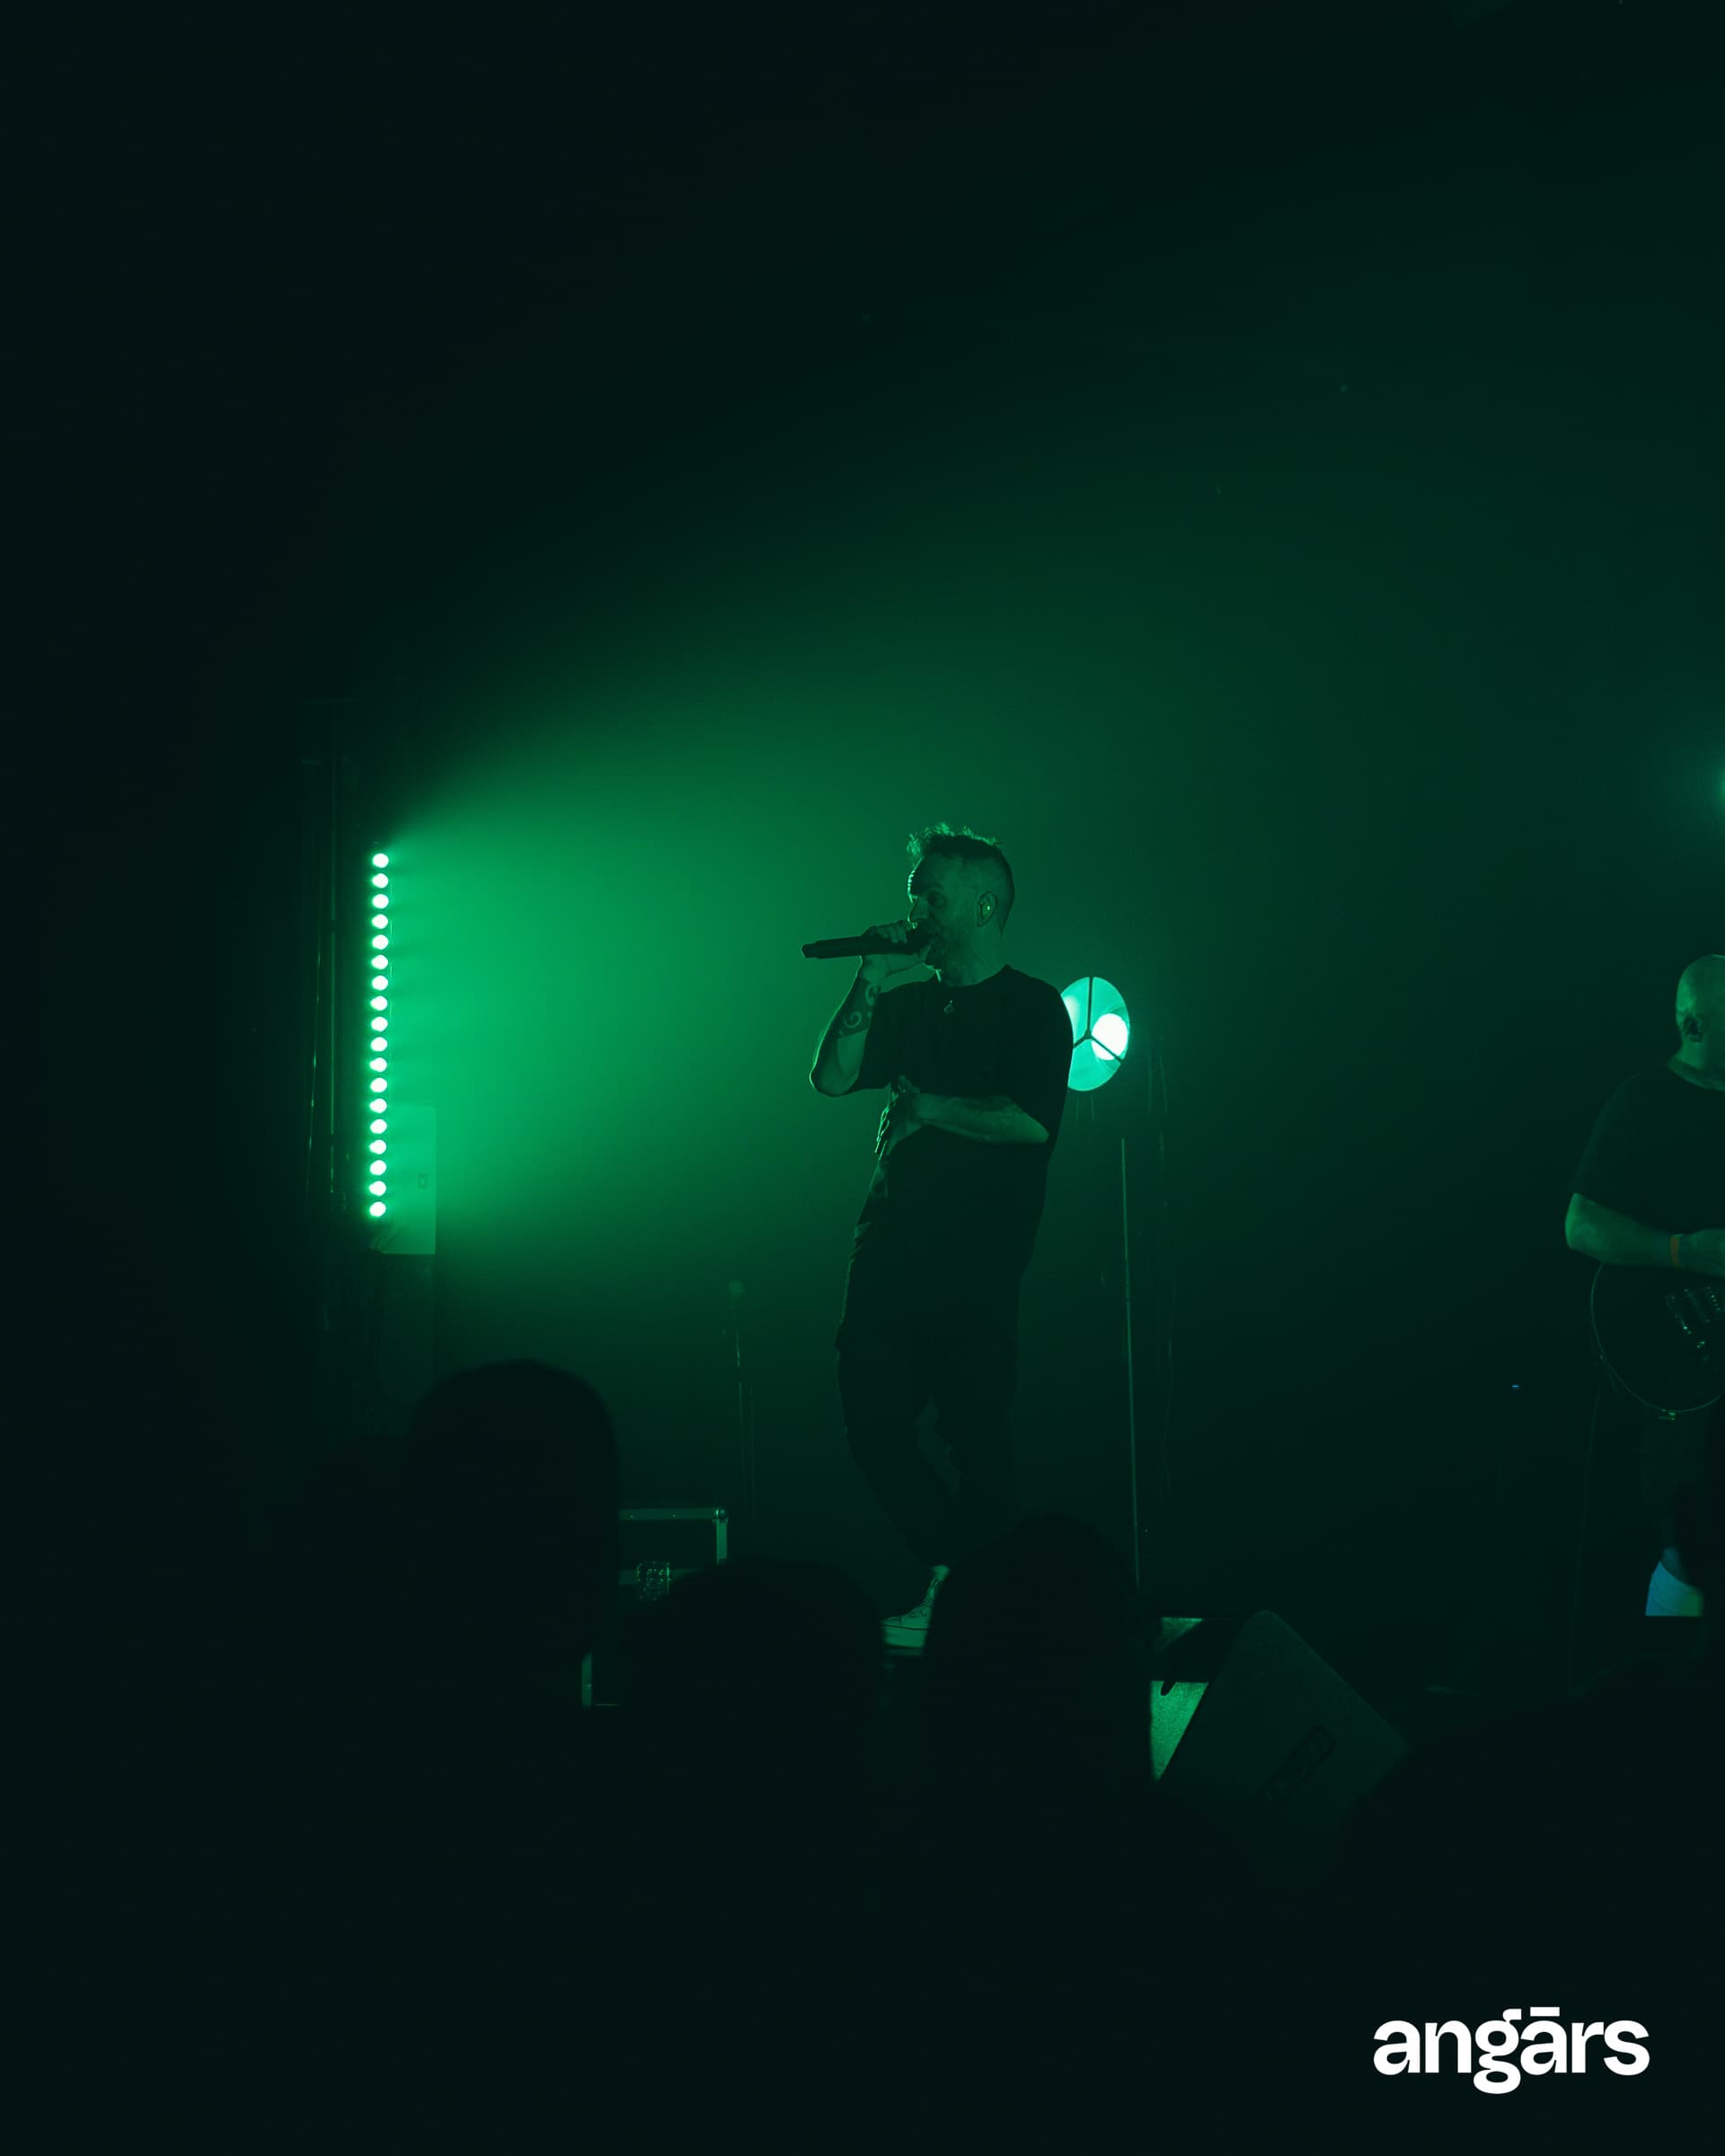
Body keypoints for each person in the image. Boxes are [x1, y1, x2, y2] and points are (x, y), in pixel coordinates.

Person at [809, 822, 1074, 1650]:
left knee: (974, 1435)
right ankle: (968, 1581)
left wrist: (928, 1107)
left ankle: (978, 1603)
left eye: (932, 894)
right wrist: (868, 976)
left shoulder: (1034, 1007)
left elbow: (1030, 1121)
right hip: (889, 1247)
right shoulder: (910, 1004)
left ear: (985, 905)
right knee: (872, 1427)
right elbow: (831, 1077)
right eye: (912, 893)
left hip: (977, 1259)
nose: (915, 907)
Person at [1565, 954, 1725, 1620]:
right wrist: (1683, 1251)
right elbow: (1581, 1225)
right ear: (1693, 1023)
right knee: (1696, 1541)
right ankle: (1673, 1672)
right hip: (1685, 1351)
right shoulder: (1644, 1101)